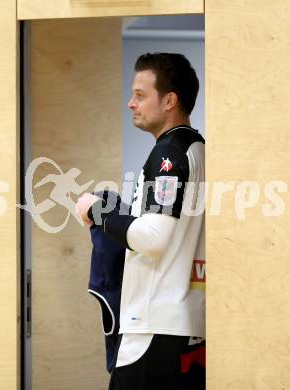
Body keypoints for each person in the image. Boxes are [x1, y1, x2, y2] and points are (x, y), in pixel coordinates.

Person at [77, 52, 205, 389]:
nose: (130, 103)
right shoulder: (198, 149)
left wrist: (97, 210)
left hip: (154, 327)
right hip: (186, 327)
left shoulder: (168, 153)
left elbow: (152, 237)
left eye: (140, 94)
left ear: (169, 101)